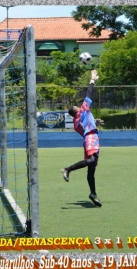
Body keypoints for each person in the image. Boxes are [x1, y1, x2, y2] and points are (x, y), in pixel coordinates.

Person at [61, 70, 103, 207]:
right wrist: (92, 80)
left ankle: (93, 193)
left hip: (87, 139)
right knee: (91, 161)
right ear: (77, 110)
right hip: (92, 137)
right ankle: (68, 169)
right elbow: (89, 94)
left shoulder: (76, 123)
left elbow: (85, 123)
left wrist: (95, 121)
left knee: (91, 169)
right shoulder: (83, 110)